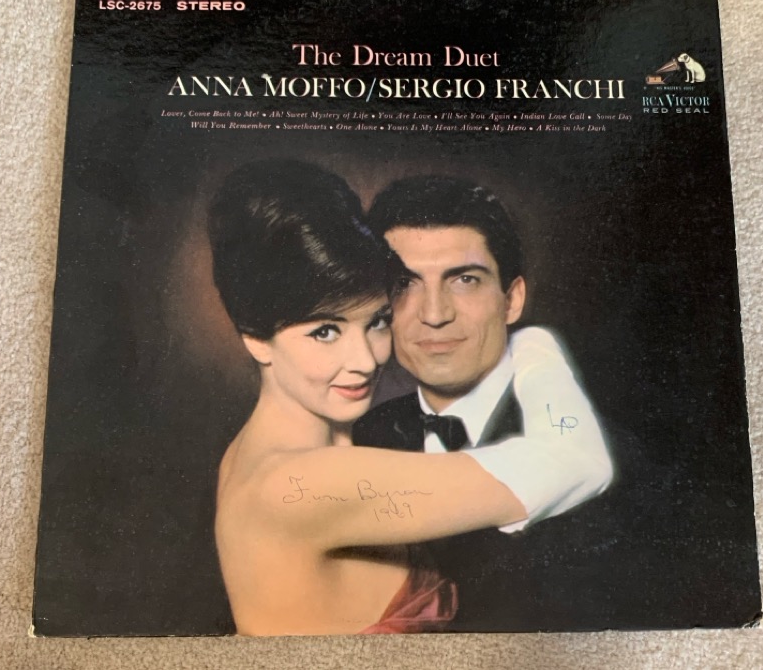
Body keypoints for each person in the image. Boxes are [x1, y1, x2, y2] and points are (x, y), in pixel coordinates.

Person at [208, 161, 607, 635]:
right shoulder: (296, 485)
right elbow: (578, 461)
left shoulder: (259, 453)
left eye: (377, 322)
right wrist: (535, 346)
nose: (365, 360)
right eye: (325, 332)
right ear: (256, 339)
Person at [353, 175, 614, 631]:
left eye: (464, 280)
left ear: (511, 300)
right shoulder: (359, 438)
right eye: (404, 283)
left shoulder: (600, 450)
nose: (434, 314)